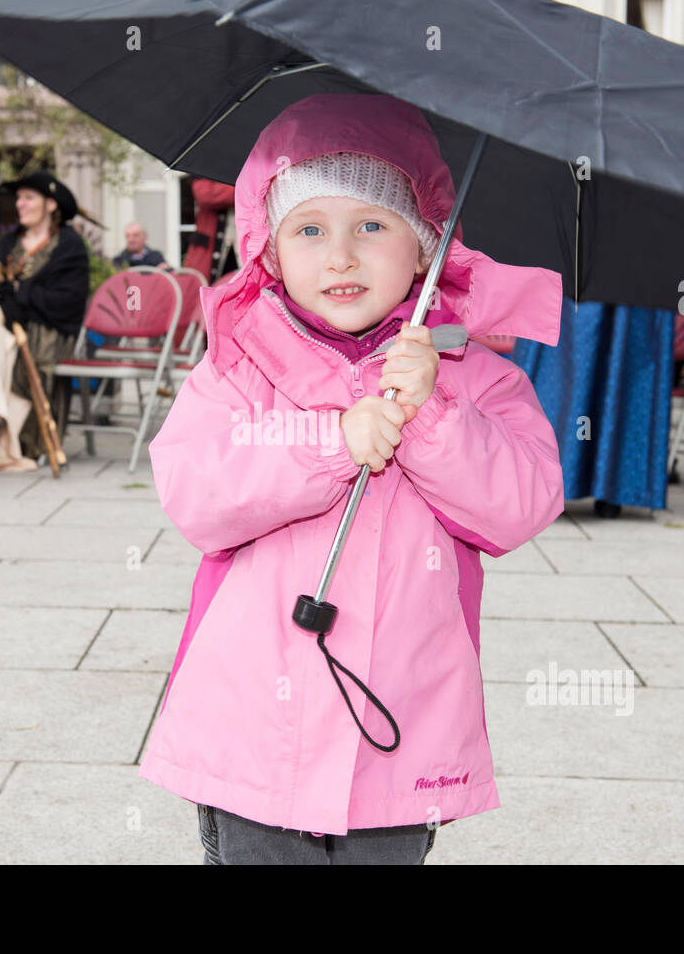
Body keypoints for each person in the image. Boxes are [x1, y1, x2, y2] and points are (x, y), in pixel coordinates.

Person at [139, 93, 565, 864]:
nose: (340, 256)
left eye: (372, 225)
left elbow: (521, 503)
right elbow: (198, 493)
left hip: (395, 731)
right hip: (252, 738)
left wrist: (431, 413)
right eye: (309, 230)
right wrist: (331, 444)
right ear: (268, 250)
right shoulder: (237, 369)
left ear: (427, 244)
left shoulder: (469, 376)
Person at [0, 171, 90, 470]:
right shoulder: (5, 245)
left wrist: (20, 293)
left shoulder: (69, 247)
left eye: (28, 198)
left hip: (46, 334)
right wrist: (15, 297)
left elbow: (66, 305)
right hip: (1, 331)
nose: (20, 204)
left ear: (50, 205)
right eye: (19, 198)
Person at [509, 299, 676, 518]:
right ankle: (595, 484)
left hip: (612, 290)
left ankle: (588, 482)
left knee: (587, 373)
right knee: (574, 374)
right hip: (597, 290)